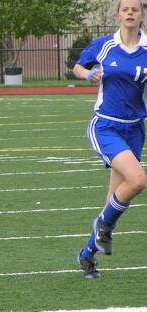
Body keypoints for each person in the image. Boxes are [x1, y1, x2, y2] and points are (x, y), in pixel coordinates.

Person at [74, 0, 147, 279]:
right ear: (117, 15)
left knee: (113, 201)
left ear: (141, 15)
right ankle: (103, 228)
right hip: (106, 126)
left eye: (135, 9)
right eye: (125, 9)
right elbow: (78, 67)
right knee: (137, 181)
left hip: (134, 129)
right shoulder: (104, 45)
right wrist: (88, 74)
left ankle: (87, 254)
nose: (130, 13)